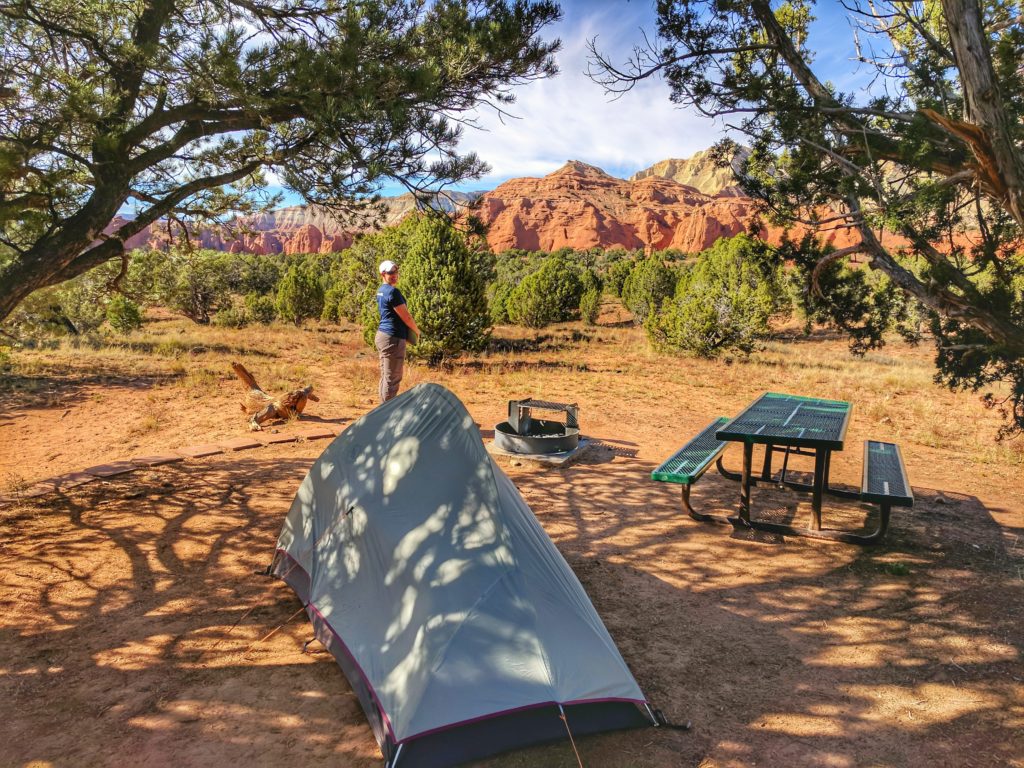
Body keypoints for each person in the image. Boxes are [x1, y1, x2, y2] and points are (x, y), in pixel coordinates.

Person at [374, 259, 420, 403]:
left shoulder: (381, 291)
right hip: (392, 338)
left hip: (383, 336)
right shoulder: (393, 292)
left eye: (396, 272)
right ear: (383, 274)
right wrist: (416, 331)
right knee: (393, 378)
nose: (394, 275)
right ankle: (386, 414)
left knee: (386, 376)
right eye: (390, 272)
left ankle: (383, 410)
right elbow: (406, 316)